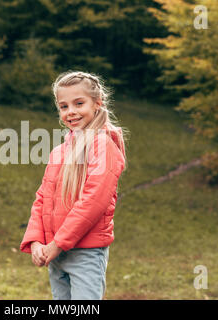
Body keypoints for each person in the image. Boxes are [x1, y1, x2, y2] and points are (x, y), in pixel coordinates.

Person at [20, 70, 128, 300]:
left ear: (97, 104)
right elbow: (42, 199)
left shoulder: (104, 147)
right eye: (64, 106)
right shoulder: (59, 152)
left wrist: (58, 243)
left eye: (79, 103)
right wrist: (37, 242)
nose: (71, 112)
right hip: (56, 255)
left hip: (85, 253)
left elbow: (93, 203)